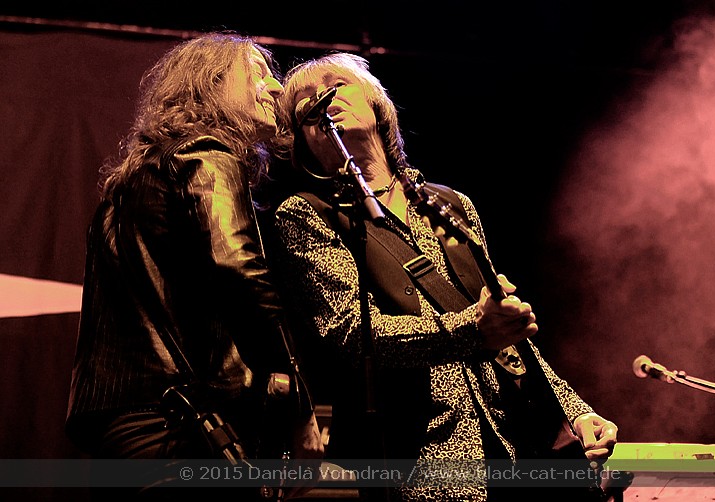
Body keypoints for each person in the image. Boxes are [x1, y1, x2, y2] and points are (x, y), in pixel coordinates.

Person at [260, 52, 619, 501]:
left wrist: (575, 410)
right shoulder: (307, 214)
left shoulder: (451, 204)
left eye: (335, 86)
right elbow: (351, 333)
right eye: (305, 104)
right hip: (426, 463)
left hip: (522, 449)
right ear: (302, 140)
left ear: (377, 106)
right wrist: (471, 330)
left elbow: (506, 333)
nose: (322, 100)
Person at [65, 32, 325, 500]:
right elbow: (239, 271)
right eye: (259, 74)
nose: (275, 88)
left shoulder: (130, 185)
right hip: (184, 426)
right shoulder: (206, 152)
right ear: (213, 83)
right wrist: (300, 404)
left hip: (128, 431)